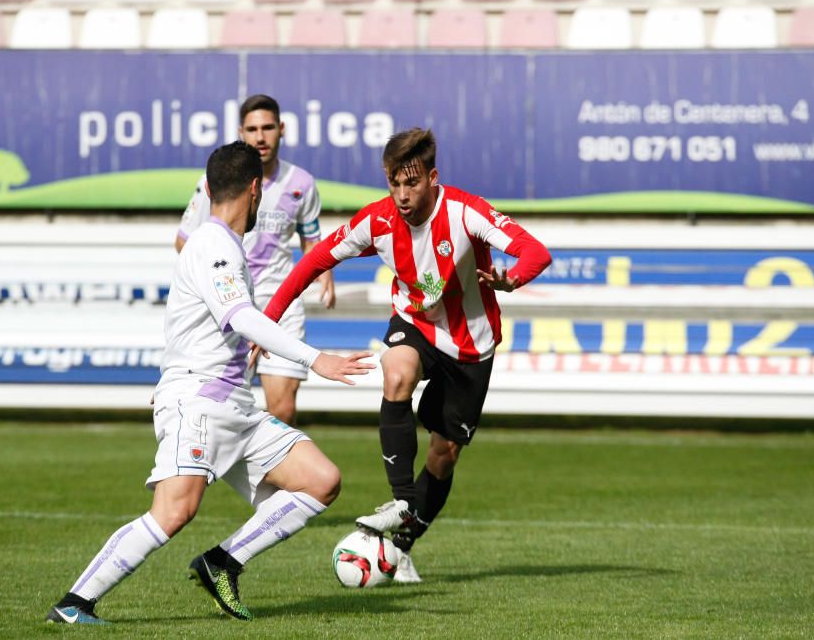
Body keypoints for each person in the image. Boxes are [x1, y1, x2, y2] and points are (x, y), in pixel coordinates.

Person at [46, 141, 373, 625]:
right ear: (256, 189)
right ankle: (73, 605)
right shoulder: (213, 244)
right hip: (199, 402)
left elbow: (229, 322)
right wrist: (315, 358)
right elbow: (239, 315)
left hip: (234, 406)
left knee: (320, 480)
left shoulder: (221, 243)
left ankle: (222, 562)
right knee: (174, 512)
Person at [262, 128, 552, 584]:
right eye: (393, 183)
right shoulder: (376, 221)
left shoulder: (464, 211)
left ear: (432, 178)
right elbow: (315, 260)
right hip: (415, 325)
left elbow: (536, 251)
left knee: (444, 454)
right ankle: (401, 500)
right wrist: (270, 318)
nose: (401, 194)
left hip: (471, 346)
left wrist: (513, 278)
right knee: (394, 372)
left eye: (411, 183)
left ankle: (401, 547)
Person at [177, 94, 335, 426]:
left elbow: (310, 239)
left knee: (283, 409)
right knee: (223, 409)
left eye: (267, 128)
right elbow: (184, 241)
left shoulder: (302, 185)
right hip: (229, 301)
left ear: (282, 129)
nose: (260, 137)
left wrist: (324, 273)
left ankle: (278, 474)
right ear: (241, 131)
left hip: (281, 300)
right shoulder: (217, 183)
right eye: (252, 129)